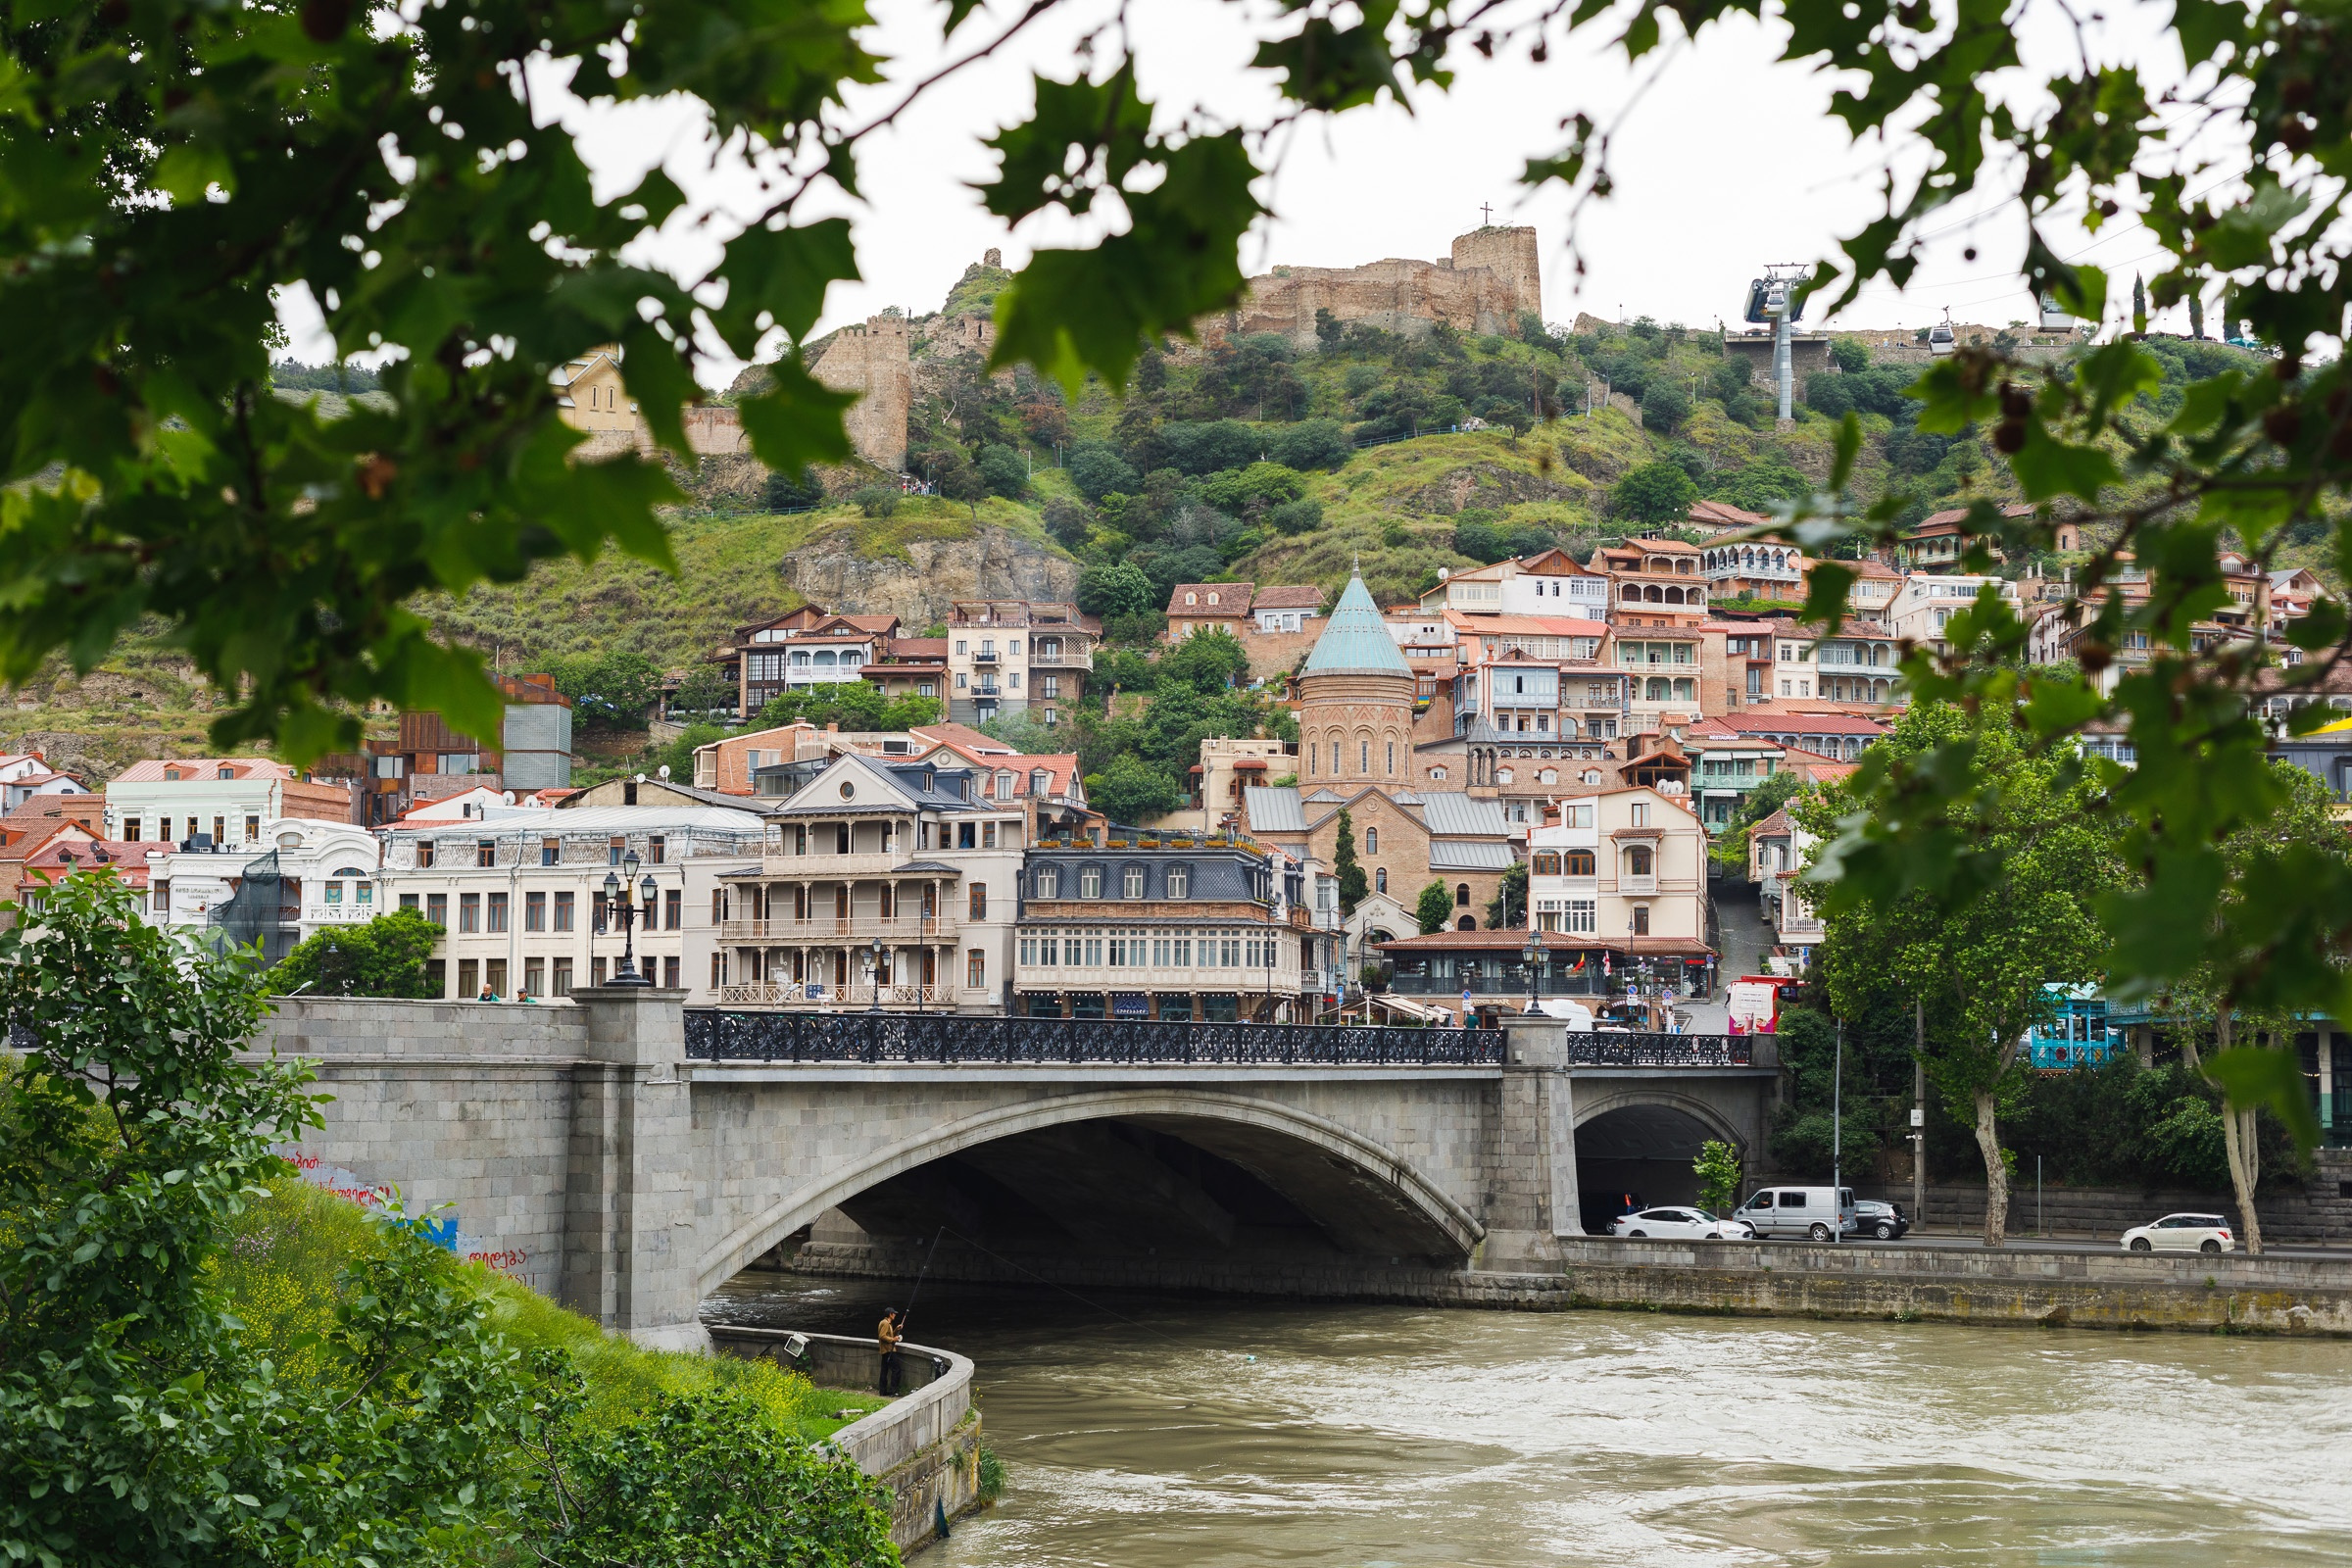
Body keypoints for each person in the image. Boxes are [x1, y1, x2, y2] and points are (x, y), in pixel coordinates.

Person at [876, 1305, 905, 1396]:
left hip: (885, 1351)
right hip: (888, 1350)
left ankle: (883, 1391)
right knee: (897, 1370)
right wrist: (893, 1340)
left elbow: (889, 1334)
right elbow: (882, 1336)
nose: (895, 1315)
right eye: (894, 1314)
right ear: (890, 1314)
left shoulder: (886, 1323)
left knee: (884, 1371)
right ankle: (893, 1391)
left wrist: (896, 1329)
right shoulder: (885, 1323)